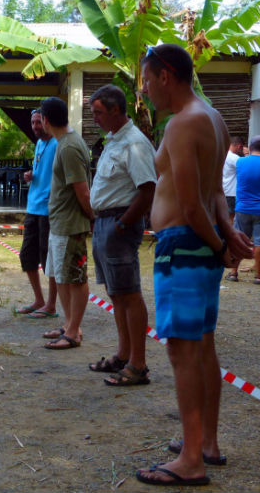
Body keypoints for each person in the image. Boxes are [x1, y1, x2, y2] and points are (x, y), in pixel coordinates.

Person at [136, 44, 252, 486]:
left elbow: (189, 202)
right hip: (199, 245)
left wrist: (221, 244)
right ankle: (206, 443)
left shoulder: (184, 123)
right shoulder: (214, 118)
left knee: (183, 352)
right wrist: (224, 235)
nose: (144, 92)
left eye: (146, 81)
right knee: (202, 347)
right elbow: (215, 195)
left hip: (183, 245)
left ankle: (190, 460)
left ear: (166, 75)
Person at [88, 84, 156, 386]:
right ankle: (124, 354)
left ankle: (138, 365)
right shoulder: (115, 139)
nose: (95, 119)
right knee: (117, 293)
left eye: (99, 113)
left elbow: (148, 189)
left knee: (129, 293)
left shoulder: (135, 143)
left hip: (119, 223)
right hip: (106, 223)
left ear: (116, 110)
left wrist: (122, 224)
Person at [40, 97, 94, 350]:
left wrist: (91, 218)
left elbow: (82, 191)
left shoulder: (70, 146)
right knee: (61, 276)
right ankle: (68, 325)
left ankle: (73, 331)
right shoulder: (64, 143)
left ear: (45, 120)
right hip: (61, 223)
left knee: (74, 278)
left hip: (70, 224)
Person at [16, 109, 59, 319]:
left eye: (38, 122)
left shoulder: (58, 144)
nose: (35, 127)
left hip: (48, 209)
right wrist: (29, 175)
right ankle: (39, 300)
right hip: (32, 206)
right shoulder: (40, 144)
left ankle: (51, 305)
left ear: (46, 121)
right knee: (27, 256)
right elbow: (41, 171)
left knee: (47, 258)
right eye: (32, 123)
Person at [229, 136, 260, 282]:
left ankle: (233, 272)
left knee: (239, 240)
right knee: (259, 242)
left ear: (250, 147)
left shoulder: (240, 161)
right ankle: (259, 275)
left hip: (242, 208)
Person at [222, 135, 244, 226]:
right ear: (239, 146)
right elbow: (245, 169)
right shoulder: (234, 158)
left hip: (223, 190)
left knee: (225, 216)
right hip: (232, 192)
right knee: (232, 216)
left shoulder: (222, 155)